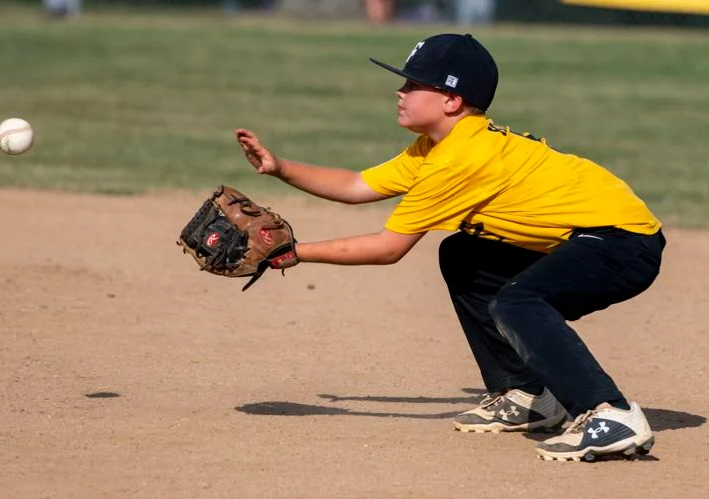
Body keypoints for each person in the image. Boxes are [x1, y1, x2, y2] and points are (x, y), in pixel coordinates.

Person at [234, 33, 665, 462]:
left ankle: (609, 414)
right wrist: (279, 167)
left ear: (452, 101)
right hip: (595, 237)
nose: (400, 92)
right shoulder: (436, 147)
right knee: (462, 254)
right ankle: (527, 394)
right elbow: (355, 184)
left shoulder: (460, 159)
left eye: (413, 84)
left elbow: (388, 247)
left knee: (519, 302)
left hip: (622, 242)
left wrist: (295, 252)